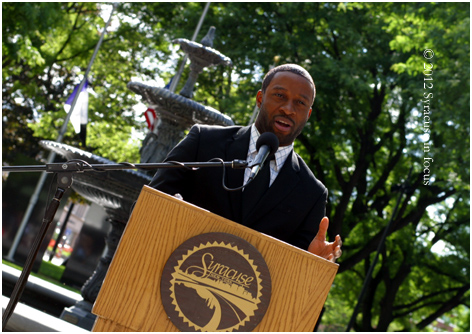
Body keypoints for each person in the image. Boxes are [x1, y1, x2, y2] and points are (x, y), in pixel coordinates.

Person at [149, 64, 342, 262]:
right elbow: (148, 208)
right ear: (260, 99)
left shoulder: (312, 194)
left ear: (307, 115)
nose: (288, 109)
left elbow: (297, 276)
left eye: (300, 103)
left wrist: (315, 263)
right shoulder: (204, 142)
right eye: (279, 96)